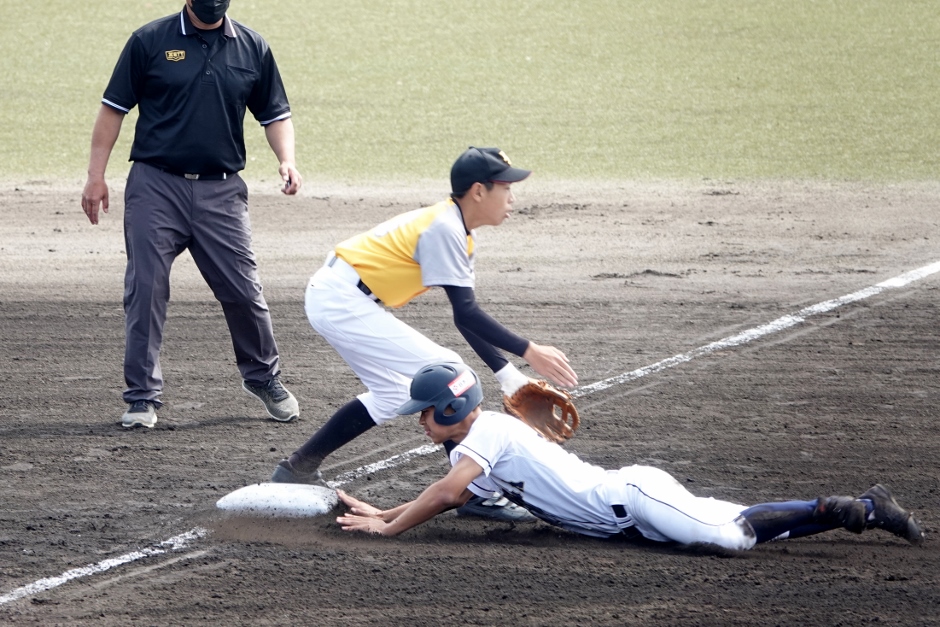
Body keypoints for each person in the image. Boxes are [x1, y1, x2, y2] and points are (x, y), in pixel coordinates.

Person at [271, 146, 578, 521]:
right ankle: (474, 493)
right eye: (505, 188)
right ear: (478, 191)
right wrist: (529, 351)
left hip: (342, 296)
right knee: (449, 372)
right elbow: (467, 313)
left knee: (393, 393)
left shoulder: (456, 230)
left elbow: (464, 317)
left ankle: (298, 467)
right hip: (339, 299)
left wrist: (508, 375)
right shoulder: (444, 229)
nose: (512, 197)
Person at [336, 362, 926, 549]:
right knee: (736, 520)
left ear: (448, 408)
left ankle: (841, 506)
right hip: (631, 516)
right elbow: (453, 495)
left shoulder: (487, 431)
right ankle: (867, 509)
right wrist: (384, 512)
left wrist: (387, 529)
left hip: (633, 498)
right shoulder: (472, 450)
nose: (419, 421)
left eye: (424, 411)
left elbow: (444, 495)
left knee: (730, 539)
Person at [80, 0, 303, 429]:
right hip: (156, 186)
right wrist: (96, 176)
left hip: (222, 191)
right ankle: (142, 397)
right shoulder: (149, 41)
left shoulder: (252, 47)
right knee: (146, 289)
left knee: (244, 291)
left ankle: (262, 377)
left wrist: (287, 160)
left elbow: (275, 114)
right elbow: (113, 108)